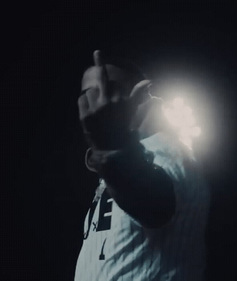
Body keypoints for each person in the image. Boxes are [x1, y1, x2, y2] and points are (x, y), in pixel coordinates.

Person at [74, 50, 210, 281]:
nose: (98, 101)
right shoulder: (123, 162)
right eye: (88, 94)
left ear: (144, 96)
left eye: (109, 88)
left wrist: (113, 147)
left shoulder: (169, 151)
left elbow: (155, 206)